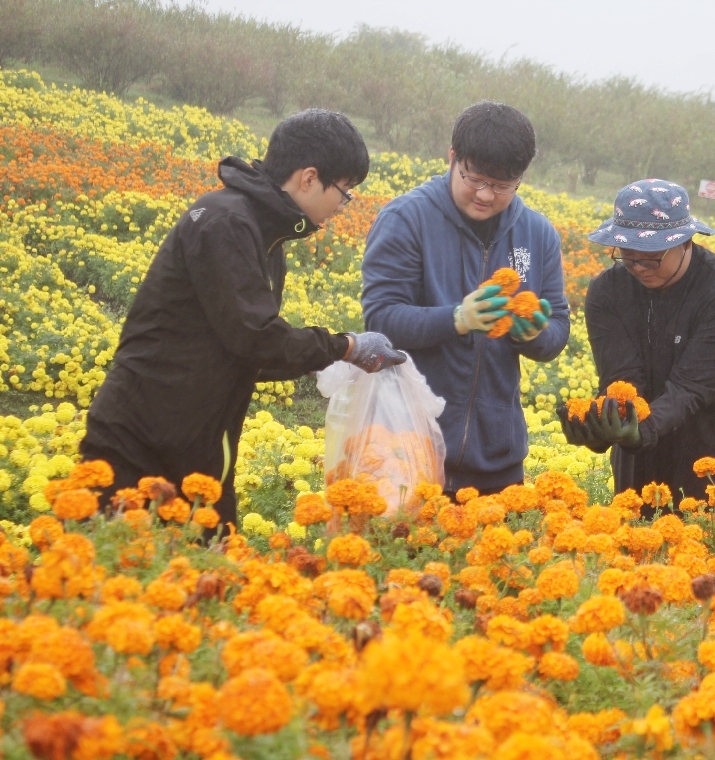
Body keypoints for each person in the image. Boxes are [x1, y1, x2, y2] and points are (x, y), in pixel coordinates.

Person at [81, 109, 405, 529]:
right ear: (309, 178)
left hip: (192, 439)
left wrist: (335, 359)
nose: (344, 206)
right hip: (140, 439)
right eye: (345, 192)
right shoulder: (227, 222)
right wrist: (344, 346)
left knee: (202, 575)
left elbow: (245, 349)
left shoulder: (263, 230)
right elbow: (256, 337)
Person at [361, 101, 570, 495]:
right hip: (407, 442)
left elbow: (558, 325)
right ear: (453, 157)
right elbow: (381, 320)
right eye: (474, 179)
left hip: (497, 455)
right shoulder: (407, 219)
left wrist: (534, 335)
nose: (486, 195)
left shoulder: (537, 233)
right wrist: (457, 319)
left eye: (503, 185)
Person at [559, 179, 715, 515]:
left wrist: (639, 429)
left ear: (685, 242)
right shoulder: (608, 292)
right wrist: (601, 426)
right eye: (628, 258)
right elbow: (623, 379)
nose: (640, 269)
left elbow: (691, 389)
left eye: (652, 259)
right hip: (642, 467)